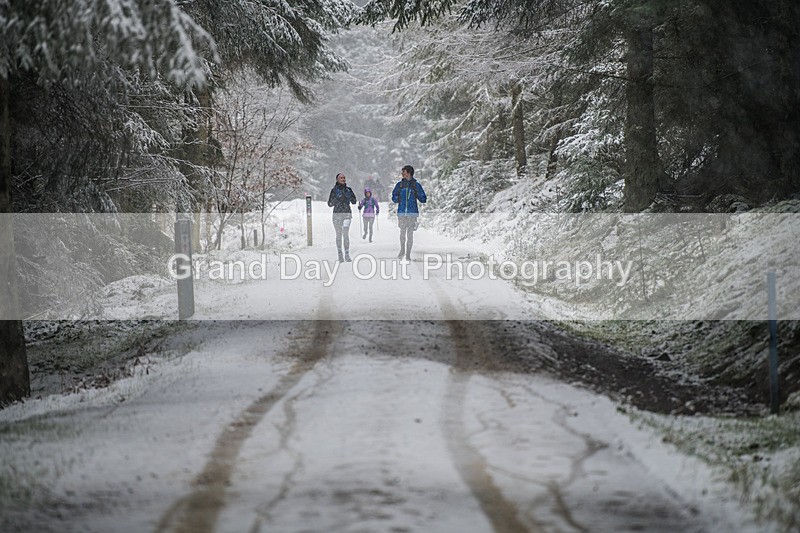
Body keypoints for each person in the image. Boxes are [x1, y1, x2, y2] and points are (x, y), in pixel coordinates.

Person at [391, 164, 427, 260]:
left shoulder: (416, 185)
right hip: (402, 213)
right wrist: (397, 198)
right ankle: (402, 250)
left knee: (410, 233)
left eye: (404, 171)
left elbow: (423, 199)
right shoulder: (400, 185)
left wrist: (417, 193)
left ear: (409, 173)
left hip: (412, 213)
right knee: (402, 232)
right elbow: (393, 197)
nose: (402, 173)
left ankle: (408, 254)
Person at [327, 172, 357, 261]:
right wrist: (337, 199)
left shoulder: (348, 190)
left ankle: (347, 254)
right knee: (339, 235)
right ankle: (340, 253)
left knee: (346, 234)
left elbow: (354, 201)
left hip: (347, 214)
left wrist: (351, 198)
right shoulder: (334, 190)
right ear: (337, 179)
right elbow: (329, 203)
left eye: (344, 177)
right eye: (341, 178)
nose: (343, 179)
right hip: (337, 214)